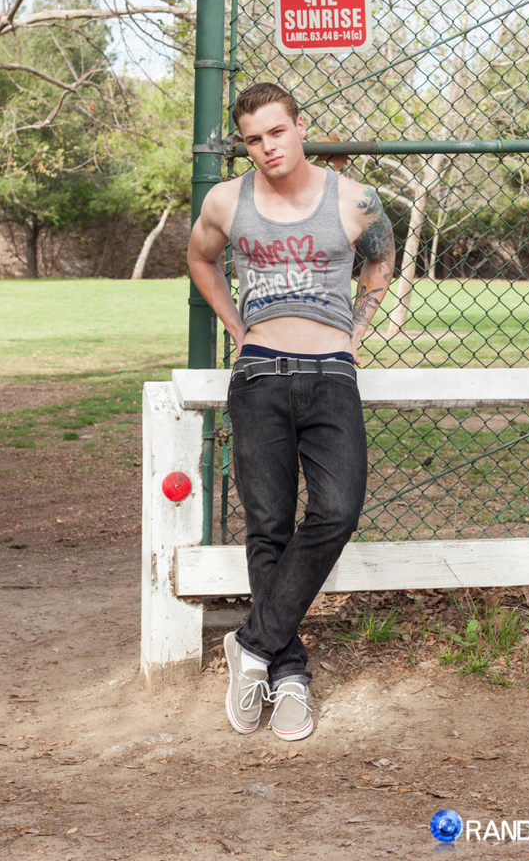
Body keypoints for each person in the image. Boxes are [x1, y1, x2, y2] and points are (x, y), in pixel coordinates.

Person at [187, 82, 395, 741]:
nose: (267, 147)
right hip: (258, 376)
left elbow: (381, 259)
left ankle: (250, 644)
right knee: (269, 527)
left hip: (331, 374)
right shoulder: (225, 201)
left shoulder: (357, 199)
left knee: (337, 509)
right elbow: (200, 258)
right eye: (253, 139)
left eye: (277, 132)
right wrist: (236, 326)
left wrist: (356, 332)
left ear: (300, 128)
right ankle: (288, 674)